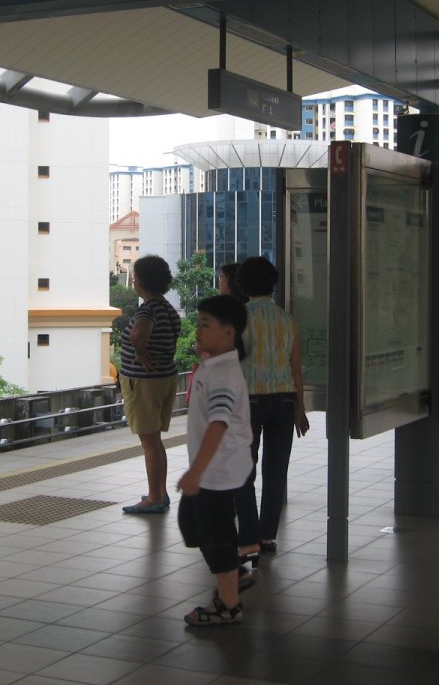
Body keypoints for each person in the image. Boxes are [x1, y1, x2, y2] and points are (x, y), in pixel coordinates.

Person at [177, 295, 252, 626]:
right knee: (193, 526)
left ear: (229, 332)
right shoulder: (216, 365)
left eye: (206, 325)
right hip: (213, 470)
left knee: (215, 537)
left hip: (217, 472)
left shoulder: (224, 375)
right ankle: (233, 574)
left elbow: (219, 423)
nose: (199, 330)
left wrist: (195, 471)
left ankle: (229, 604)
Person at [235, 256, 309, 563]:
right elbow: (296, 368)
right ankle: (267, 536)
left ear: (243, 285)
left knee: (243, 471)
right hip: (284, 400)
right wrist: (300, 409)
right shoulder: (286, 318)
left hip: (249, 401)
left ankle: (249, 537)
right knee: (276, 470)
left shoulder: (239, 317)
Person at [119, 255, 182, 513]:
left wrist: (141, 353)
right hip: (165, 377)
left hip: (144, 382)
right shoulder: (167, 308)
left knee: (149, 442)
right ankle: (160, 492)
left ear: (141, 280)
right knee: (155, 441)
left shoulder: (147, 309)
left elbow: (137, 335)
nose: (133, 281)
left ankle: (154, 497)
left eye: (135, 277)